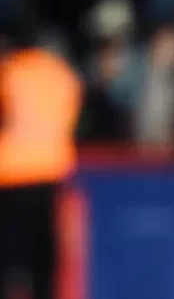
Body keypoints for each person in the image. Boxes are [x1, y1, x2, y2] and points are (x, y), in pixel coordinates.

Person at [0, 31, 82, 299]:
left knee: (10, 257)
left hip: (10, 175)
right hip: (52, 172)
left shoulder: (10, 71)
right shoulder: (63, 75)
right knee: (43, 257)